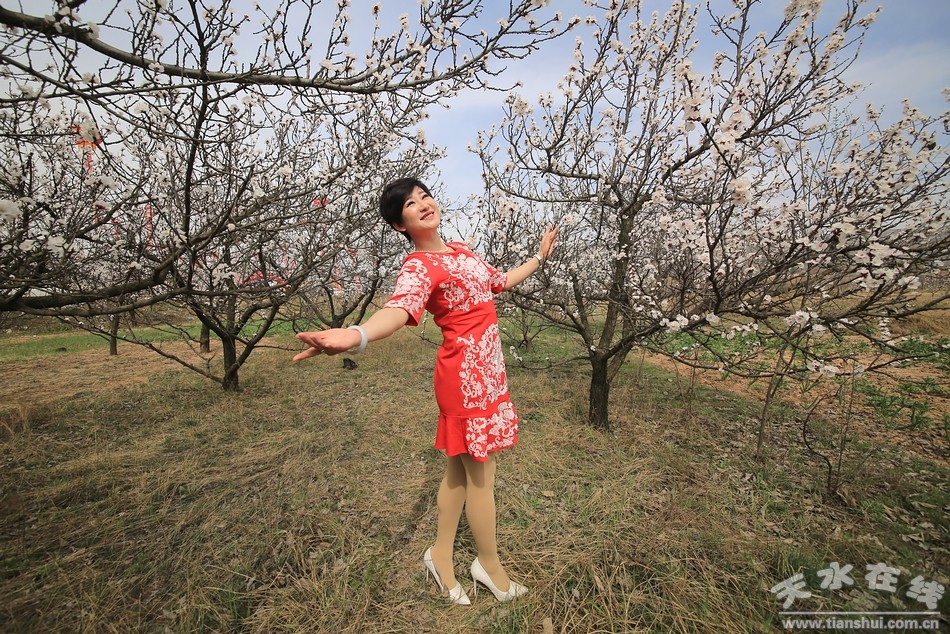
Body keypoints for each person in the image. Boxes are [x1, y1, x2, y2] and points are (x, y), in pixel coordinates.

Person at [293, 178, 558, 605]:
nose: (422, 204)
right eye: (410, 204)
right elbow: (399, 310)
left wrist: (538, 258)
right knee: (481, 474)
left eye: (424, 196)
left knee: (458, 470)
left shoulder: (462, 250)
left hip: (489, 371)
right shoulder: (418, 266)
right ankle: (489, 567)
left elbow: (498, 282)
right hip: (464, 379)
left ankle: (439, 555)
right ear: (401, 225)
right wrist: (356, 335)